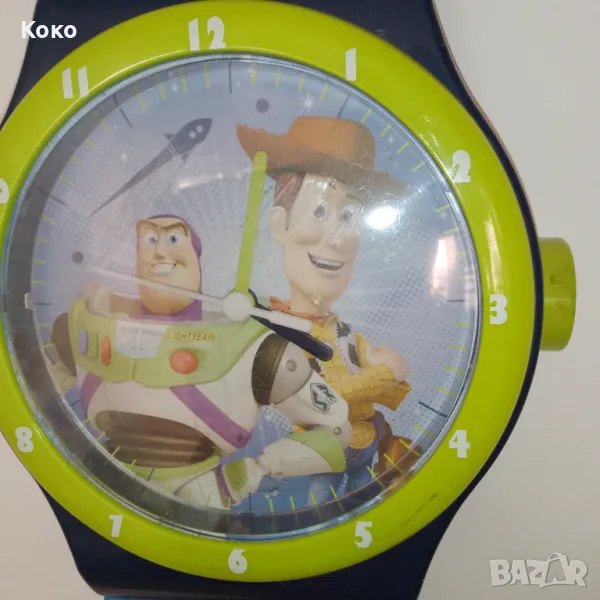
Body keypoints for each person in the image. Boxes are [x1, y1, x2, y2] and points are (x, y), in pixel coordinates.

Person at [51, 213, 352, 510]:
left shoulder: (255, 347)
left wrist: (257, 468)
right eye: (149, 239)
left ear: (195, 255)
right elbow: (39, 387)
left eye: (173, 238)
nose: (159, 251)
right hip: (98, 483)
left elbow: (335, 429)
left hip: (197, 492)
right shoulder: (87, 325)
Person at [237, 116, 420, 501]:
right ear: (280, 225)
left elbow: (397, 377)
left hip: (369, 447)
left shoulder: (344, 334)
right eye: (319, 212)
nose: (338, 239)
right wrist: (380, 375)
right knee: (322, 512)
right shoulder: (272, 337)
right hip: (323, 455)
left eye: (349, 216)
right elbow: (318, 400)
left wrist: (386, 373)